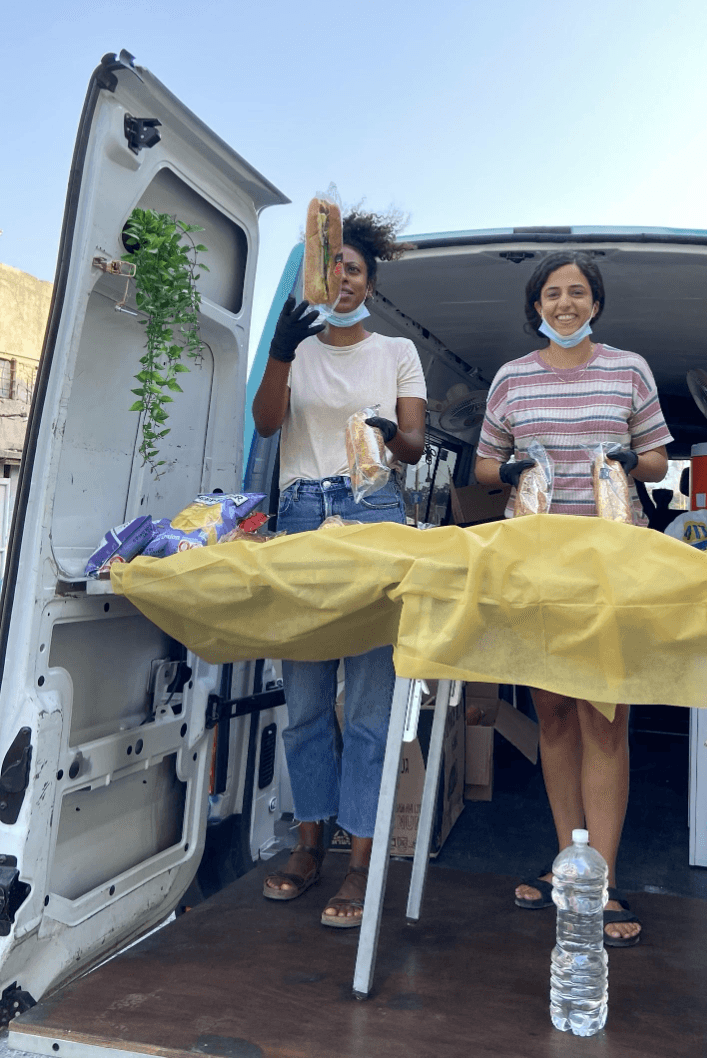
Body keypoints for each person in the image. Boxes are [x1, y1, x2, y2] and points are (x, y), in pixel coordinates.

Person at [474, 250, 672, 948]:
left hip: (610, 565)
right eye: (552, 293)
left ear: (595, 303)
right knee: (554, 717)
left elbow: (656, 456)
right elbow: (483, 463)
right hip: (536, 567)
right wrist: (508, 469)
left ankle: (603, 882)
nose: (565, 303)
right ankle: (570, 868)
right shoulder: (512, 379)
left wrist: (627, 461)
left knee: (606, 720)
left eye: (577, 292)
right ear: (536, 306)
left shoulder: (629, 369)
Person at [251, 208, 426, 928]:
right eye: (335, 268)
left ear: (370, 283)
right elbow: (266, 424)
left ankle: (360, 861)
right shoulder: (295, 347)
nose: (344, 279)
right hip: (299, 514)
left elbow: (413, 443)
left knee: (370, 706)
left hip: (373, 509)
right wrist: (282, 353)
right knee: (305, 698)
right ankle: (307, 842)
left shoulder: (396, 351)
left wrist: (390, 434)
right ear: (319, 277)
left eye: (356, 269)